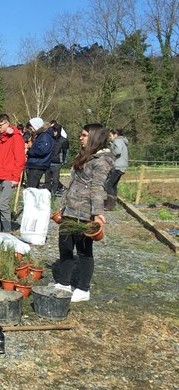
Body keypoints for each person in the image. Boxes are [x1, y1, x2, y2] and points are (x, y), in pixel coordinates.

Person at [53, 124, 113, 303]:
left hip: (85, 213)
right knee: (65, 246)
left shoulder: (101, 161)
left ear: (94, 137)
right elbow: (73, 183)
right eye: (81, 135)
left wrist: (98, 213)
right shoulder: (84, 156)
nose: (81, 138)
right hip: (70, 210)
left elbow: (97, 188)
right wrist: (63, 206)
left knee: (84, 251)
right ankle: (64, 282)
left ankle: (83, 288)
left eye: (85, 135)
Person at [0, 114, 26, 233]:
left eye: (0, 125)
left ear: (7, 123)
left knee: (3, 205)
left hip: (9, 177)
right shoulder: (1, 138)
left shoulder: (16, 138)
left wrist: (16, 178)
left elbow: (20, 159)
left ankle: (7, 232)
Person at [25, 117, 54, 188]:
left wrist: (29, 152)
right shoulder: (41, 135)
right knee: (33, 187)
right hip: (36, 163)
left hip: (38, 164)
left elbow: (42, 150)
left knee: (31, 187)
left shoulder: (44, 136)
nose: (31, 130)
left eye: (31, 127)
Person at [105, 129, 129, 211]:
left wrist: (109, 152)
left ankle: (110, 205)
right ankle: (113, 203)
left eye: (110, 135)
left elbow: (117, 151)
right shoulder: (122, 141)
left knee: (108, 184)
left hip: (118, 166)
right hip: (122, 166)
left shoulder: (117, 141)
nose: (109, 137)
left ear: (116, 135)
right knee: (113, 185)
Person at [47, 122, 69, 195]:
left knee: (55, 179)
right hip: (49, 161)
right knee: (48, 179)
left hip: (57, 162)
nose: (54, 132)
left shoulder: (64, 140)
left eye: (55, 131)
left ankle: (53, 194)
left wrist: (64, 161)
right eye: (53, 131)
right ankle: (48, 193)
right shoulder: (50, 139)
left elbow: (66, 152)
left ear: (58, 131)